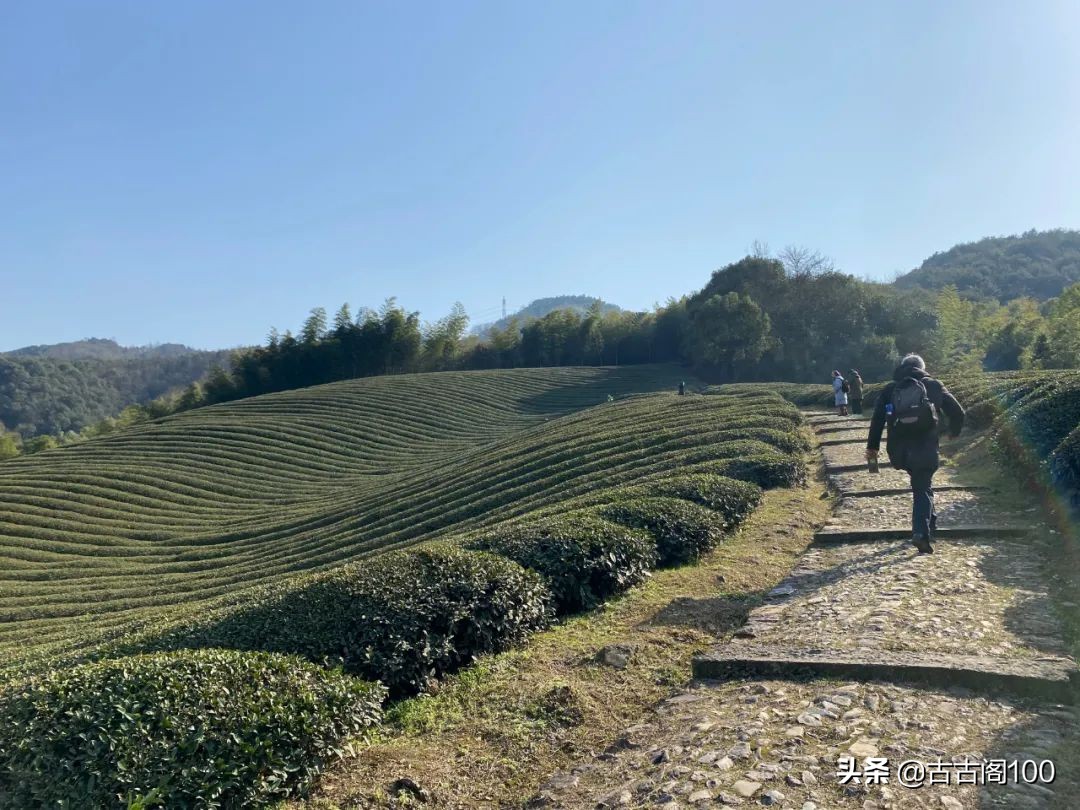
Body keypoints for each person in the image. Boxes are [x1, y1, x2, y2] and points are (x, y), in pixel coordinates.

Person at [865, 354, 964, 554]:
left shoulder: (890, 389)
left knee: (921, 484)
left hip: (900, 450)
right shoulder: (934, 385)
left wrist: (872, 447)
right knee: (922, 487)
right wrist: (953, 432)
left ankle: (930, 524)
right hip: (925, 447)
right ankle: (921, 533)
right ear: (922, 367)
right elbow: (958, 412)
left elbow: (877, 419)